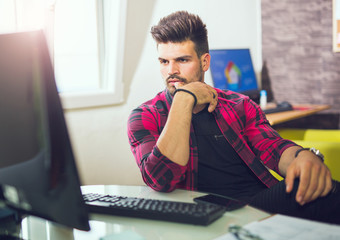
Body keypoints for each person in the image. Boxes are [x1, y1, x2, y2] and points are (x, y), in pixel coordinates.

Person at [127, 11, 340, 224]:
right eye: (164, 61)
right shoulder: (145, 116)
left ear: (205, 62)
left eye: (182, 60)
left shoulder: (239, 105)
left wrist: (302, 156)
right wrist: (183, 99)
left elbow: (274, 148)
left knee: (327, 189)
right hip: (204, 213)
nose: (171, 71)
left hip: (257, 204)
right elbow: (160, 179)